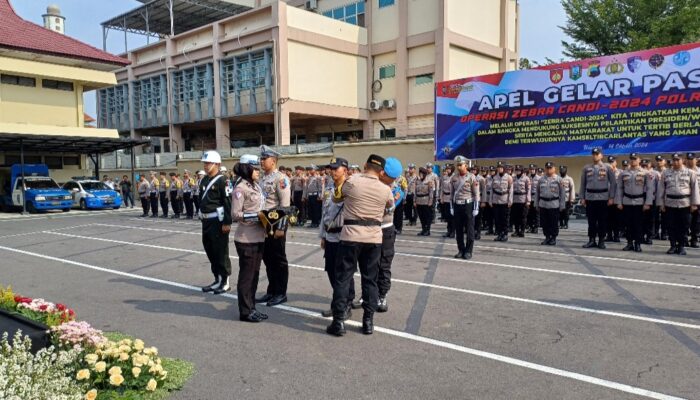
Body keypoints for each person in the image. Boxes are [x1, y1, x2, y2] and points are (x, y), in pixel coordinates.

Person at [326, 154, 394, 337]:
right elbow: (389, 207)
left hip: (350, 236)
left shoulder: (352, 182)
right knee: (370, 280)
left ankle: (339, 322)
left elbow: (336, 199)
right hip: (373, 239)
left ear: (365, 165)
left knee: (343, 279)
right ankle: (368, 322)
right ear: (381, 172)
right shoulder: (385, 189)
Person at [231, 155, 268, 322]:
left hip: (259, 237)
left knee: (254, 275)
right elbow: (235, 214)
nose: (259, 172)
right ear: (247, 169)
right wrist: (257, 216)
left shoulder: (256, 186)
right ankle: (245, 311)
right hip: (246, 238)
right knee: (247, 277)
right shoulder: (240, 188)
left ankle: (252, 307)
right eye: (256, 169)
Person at [319, 157, 358, 318]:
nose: (333, 171)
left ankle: (346, 303)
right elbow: (324, 213)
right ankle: (339, 301)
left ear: (345, 170)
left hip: (345, 236)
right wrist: (323, 235)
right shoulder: (328, 188)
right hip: (330, 235)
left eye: (336, 168)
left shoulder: (351, 188)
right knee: (331, 270)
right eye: (331, 169)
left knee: (344, 272)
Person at [255, 147, 292, 307]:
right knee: (268, 259)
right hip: (264, 224)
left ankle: (280, 293)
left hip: (276, 223)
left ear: (273, 161)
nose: (261, 161)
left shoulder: (281, 179)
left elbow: (285, 205)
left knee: (278, 259)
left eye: (265, 159)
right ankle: (271, 290)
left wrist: (281, 228)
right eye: (261, 158)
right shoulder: (262, 179)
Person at [198, 150, 233, 295]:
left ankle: (225, 281)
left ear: (217, 164)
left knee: (221, 251)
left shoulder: (223, 180)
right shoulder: (204, 180)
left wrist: (227, 223)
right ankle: (217, 278)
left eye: (209, 163)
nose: (206, 166)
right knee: (210, 250)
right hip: (206, 220)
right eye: (205, 163)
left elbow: (228, 202)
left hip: (217, 221)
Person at [657, 153, 700, 255]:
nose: (675, 162)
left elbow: (695, 189)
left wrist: (694, 204)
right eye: (674, 160)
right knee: (671, 225)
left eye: (678, 160)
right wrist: (661, 204)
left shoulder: (690, 173)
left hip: (685, 203)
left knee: (684, 226)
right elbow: (661, 189)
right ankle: (672, 245)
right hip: (670, 203)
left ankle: (681, 246)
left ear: (683, 160)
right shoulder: (666, 173)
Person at [377, 157, 405, 312]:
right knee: (368, 264)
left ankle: (382, 295)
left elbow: (388, 208)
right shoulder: (373, 184)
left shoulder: (395, 190)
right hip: (371, 229)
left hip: (385, 229)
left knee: (384, 263)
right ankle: (369, 293)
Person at [579, 147, 616, 249]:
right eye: (594, 154)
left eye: (597, 154)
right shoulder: (586, 168)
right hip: (590, 198)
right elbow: (583, 184)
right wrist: (582, 197)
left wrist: (611, 197)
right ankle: (591, 240)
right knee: (591, 221)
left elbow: (613, 183)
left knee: (602, 221)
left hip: (603, 197)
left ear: (601, 155)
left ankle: (601, 240)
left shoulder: (607, 167)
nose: (595, 155)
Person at [615, 153, 652, 253]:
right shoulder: (623, 173)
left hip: (639, 202)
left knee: (638, 224)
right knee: (628, 224)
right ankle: (629, 243)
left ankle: (638, 244)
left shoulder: (645, 173)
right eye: (631, 159)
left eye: (635, 159)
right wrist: (618, 202)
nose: (633, 161)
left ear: (639, 160)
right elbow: (619, 188)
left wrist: (647, 203)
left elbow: (649, 189)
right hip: (626, 201)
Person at [451, 156, 480, 259]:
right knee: (458, 230)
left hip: (468, 205)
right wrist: (452, 207)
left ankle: (468, 251)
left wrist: (476, 208)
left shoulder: (472, 177)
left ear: (466, 166)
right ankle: (461, 250)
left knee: (469, 229)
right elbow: (452, 194)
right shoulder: (454, 178)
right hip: (457, 205)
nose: (459, 167)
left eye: (460, 165)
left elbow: (476, 194)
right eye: (457, 165)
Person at [536, 162, 566, 245]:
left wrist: (562, 205)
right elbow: (537, 193)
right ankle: (547, 237)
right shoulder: (541, 179)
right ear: (545, 169)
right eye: (547, 168)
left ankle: (553, 238)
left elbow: (562, 194)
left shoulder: (559, 180)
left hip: (554, 204)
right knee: (544, 223)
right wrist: (536, 204)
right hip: (543, 204)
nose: (549, 170)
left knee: (553, 222)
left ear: (554, 169)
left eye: (550, 168)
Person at [490, 162, 513, 242]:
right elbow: (492, 190)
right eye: (498, 168)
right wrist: (491, 200)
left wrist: (510, 201)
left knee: (504, 219)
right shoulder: (494, 177)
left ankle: (505, 234)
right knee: (497, 219)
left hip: (504, 200)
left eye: (501, 168)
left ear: (504, 169)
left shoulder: (508, 177)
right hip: (496, 200)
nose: (499, 169)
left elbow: (511, 190)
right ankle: (499, 234)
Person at [641, 159, 659, 244]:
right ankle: (641, 236)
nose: (645, 166)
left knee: (650, 219)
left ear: (651, 165)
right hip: (641, 196)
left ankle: (649, 237)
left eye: (646, 164)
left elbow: (658, 187)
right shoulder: (640, 173)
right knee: (642, 218)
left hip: (652, 197)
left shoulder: (656, 174)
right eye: (643, 165)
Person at [510, 165, 530, 237]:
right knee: (515, 216)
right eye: (517, 170)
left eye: (519, 170)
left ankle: (522, 231)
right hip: (515, 200)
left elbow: (528, 190)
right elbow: (511, 190)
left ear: (522, 171)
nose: (518, 171)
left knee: (523, 217)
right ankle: (516, 230)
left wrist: (528, 201)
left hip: (523, 200)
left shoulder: (526, 178)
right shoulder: (513, 178)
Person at [605, 156, 622, 242]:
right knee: (608, 219)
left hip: (617, 199)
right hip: (607, 199)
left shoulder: (620, 172)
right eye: (610, 162)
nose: (611, 164)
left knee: (617, 219)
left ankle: (616, 236)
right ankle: (609, 235)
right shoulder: (605, 172)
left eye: (613, 162)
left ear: (616, 162)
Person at [414, 167, 435, 236]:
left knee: (427, 217)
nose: (420, 175)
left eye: (422, 174)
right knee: (421, 217)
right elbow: (415, 192)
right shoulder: (417, 181)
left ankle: (427, 230)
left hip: (426, 201)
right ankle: (423, 229)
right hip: (419, 201)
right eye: (420, 173)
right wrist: (414, 201)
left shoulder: (429, 181)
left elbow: (431, 192)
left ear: (425, 174)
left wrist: (430, 201)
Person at [687, 152, 700, 248]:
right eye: (688, 159)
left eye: (692, 159)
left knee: (696, 221)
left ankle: (694, 239)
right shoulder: (684, 171)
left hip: (698, 199)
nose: (690, 161)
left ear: (696, 160)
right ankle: (683, 239)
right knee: (686, 221)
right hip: (686, 199)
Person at [440, 165, 455, 238]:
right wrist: (441, 198)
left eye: (449, 169)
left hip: (452, 198)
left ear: (452, 169)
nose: (448, 170)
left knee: (452, 216)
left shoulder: (454, 177)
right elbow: (442, 188)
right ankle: (448, 231)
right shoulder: (444, 177)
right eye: (447, 169)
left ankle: (453, 231)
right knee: (447, 216)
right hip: (445, 198)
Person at [527, 164, 541, 233]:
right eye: (531, 169)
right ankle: (530, 227)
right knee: (529, 214)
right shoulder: (527, 177)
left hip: (536, 197)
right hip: (529, 198)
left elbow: (540, 189)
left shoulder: (539, 178)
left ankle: (535, 227)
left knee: (536, 213)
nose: (532, 171)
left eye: (533, 169)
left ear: (535, 170)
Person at [472, 165, 485, 240]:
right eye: (472, 170)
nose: (473, 171)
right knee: (472, 217)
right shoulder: (470, 177)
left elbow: (483, 191)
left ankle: (478, 233)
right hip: (471, 200)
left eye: (475, 170)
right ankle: (473, 232)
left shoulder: (481, 179)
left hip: (478, 200)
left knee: (478, 218)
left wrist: (483, 201)